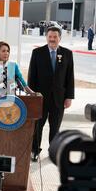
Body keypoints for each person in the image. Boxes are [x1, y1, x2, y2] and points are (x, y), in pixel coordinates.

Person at [28, 26, 75, 162]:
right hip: (40, 98)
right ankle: (35, 151)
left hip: (59, 99)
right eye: (50, 37)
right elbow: (32, 76)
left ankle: (53, 151)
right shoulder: (37, 53)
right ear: (46, 37)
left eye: (55, 37)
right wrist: (32, 96)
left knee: (55, 127)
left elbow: (70, 77)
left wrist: (69, 97)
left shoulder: (67, 54)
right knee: (38, 126)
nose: (52, 39)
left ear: (59, 38)